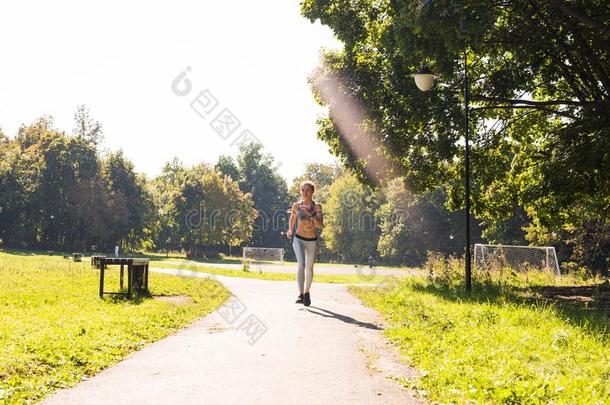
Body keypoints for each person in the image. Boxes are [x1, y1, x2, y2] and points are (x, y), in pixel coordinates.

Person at [287, 180, 323, 306]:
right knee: (301, 264)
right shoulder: (297, 205)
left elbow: (320, 225)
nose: (305, 192)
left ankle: (307, 292)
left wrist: (309, 214)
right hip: (298, 238)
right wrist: (290, 229)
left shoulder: (317, 207)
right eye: (303, 190)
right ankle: (300, 294)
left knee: (309, 267)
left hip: (311, 240)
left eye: (307, 190)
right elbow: (292, 218)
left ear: (313, 192)